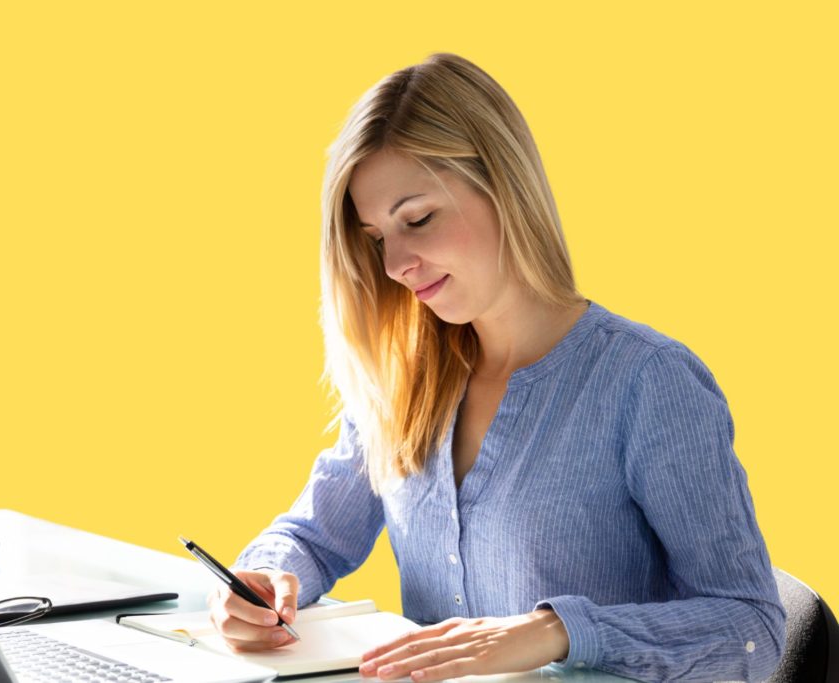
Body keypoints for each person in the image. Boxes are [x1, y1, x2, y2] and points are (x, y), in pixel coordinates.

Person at [207, 52, 785, 682]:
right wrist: (262, 580)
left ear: (503, 187)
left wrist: (557, 632)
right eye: (376, 238)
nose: (396, 263)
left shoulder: (649, 383)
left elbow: (750, 628)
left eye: (418, 219)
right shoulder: (402, 379)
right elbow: (312, 538)